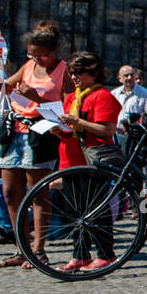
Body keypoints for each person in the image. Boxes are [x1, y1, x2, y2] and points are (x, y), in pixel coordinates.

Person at [0, 21, 71, 270]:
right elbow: (3, 90)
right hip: (14, 132)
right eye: (32, 54)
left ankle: (38, 249)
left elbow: (67, 109)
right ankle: (21, 248)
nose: (37, 59)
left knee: (38, 193)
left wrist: (35, 98)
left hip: (41, 134)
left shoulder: (63, 71)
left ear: (55, 50)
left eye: (42, 55)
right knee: (10, 193)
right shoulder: (28, 67)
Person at [51, 50, 121, 273]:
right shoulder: (73, 97)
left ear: (93, 73)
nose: (74, 76)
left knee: (95, 209)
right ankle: (79, 254)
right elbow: (70, 128)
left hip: (92, 159)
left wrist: (77, 121)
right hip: (69, 159)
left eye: (78, 72)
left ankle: (105, 254)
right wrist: (57, 128)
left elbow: (107, 129)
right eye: (71, 72)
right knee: (75, 212)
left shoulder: (102, 96)